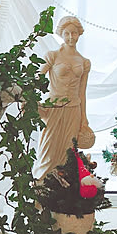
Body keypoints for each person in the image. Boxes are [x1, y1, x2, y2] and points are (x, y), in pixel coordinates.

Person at [34, 15, 93, 180]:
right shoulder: (52, 56)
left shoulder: (84, 62)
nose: (71, 37)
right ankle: (40, 186)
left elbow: (82, 93)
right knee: (47, 151)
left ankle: (62, 190)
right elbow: (36, 79)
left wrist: (84, 119)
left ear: (79, 34)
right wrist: (32, 101)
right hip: (53, 109)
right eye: (67, 33)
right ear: (61, 34)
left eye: (74, 33)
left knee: (68, 154)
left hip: (73, 110)